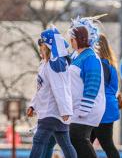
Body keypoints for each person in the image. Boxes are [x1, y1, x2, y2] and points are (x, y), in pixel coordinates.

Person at [28, 26, 77, 158]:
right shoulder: (45, 64)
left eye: (42, 46)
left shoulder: (54, 65)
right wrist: (33, 105)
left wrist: (65, 110)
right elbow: (41, 88)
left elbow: (60, 89)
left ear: (47, 47)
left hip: (51, 112)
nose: (40, 49)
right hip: (54, 113)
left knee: (38, 142)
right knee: (65, 145)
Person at [68, 17, 106, 158]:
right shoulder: (80, 56)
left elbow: (93, 82)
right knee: (75, 140)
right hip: (79, 108)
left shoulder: (89, 57)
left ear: (79, 39)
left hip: (86, 108)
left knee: (78, 138)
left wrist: (85, 107)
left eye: (72, 38)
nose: (70, 42)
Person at [90, 33, 120, 158]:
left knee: (105, 144)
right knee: (85, 142)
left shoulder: (100, 65)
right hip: (108, 108)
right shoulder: (110, 64)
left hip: (100, 109)